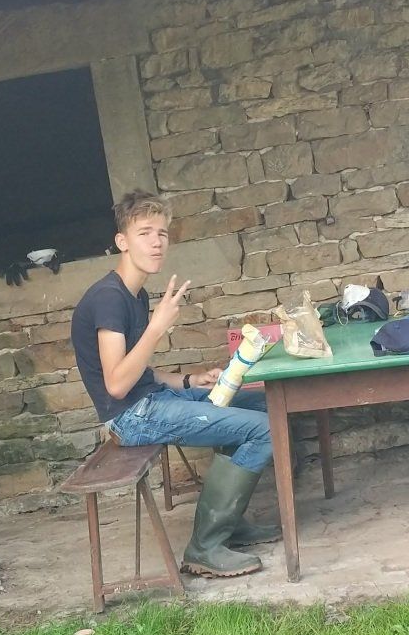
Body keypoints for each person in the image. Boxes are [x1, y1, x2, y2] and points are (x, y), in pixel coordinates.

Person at [70, 189, 279, 578]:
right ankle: (205, 547)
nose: (156, 242)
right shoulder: (109, 299)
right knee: (264, 430)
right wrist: (156, 328)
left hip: (152, 399)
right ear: (122, 241)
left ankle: (230, 521)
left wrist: (187, 380)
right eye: (145, 233)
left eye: (162, 233)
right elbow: (117, 385)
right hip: (131, 417)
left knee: (264, 404)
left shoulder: (134, 294)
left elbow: (140, 372)